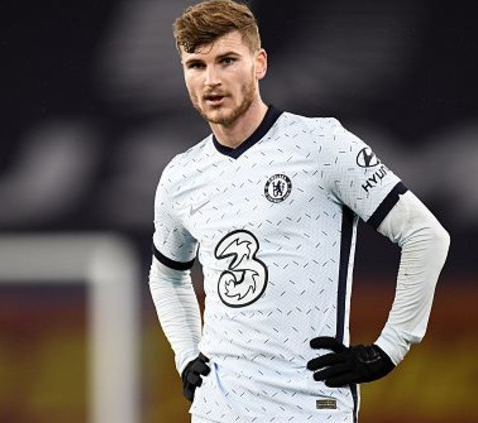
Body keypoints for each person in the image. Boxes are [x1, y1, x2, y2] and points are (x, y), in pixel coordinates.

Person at [148, 1, 450, 422]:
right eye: (196, 65)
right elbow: (166, 275)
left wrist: (390, 347)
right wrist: (185, 353)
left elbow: (425, 235)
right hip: (218, 410)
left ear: (260, 63)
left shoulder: (323, 144)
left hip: (310, 408)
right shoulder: (181, 176)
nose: (211, 80)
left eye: (227, 60)